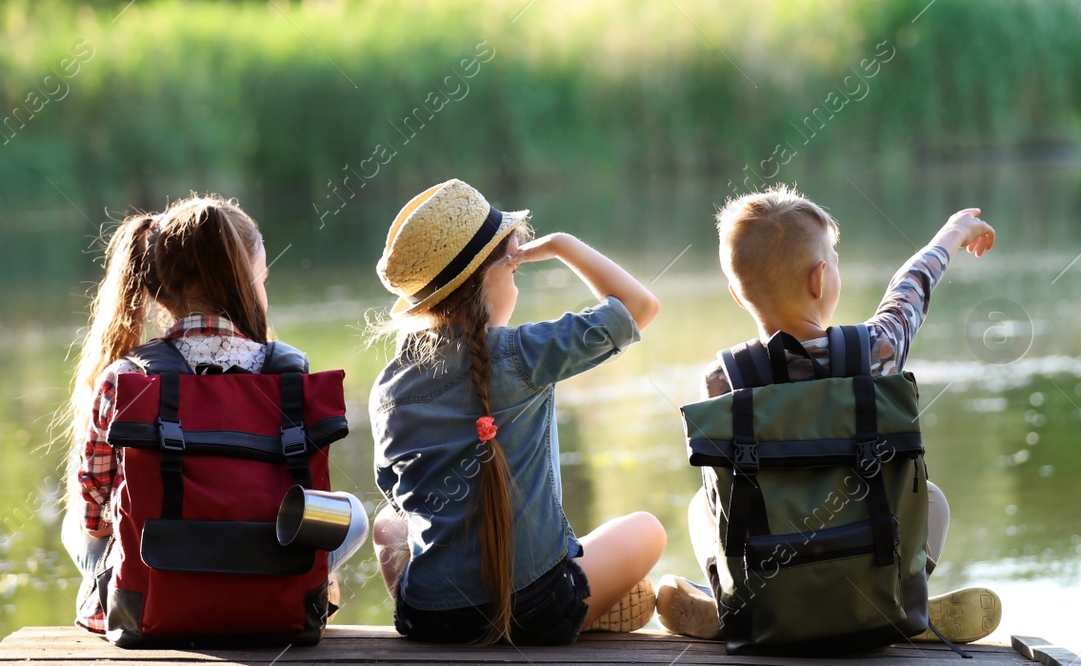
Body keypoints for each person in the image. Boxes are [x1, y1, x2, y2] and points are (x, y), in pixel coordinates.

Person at [656, 185, 1004, 644]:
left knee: (702, 506)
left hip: (770, 585)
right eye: (835, 262)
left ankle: (732, 607)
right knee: (931, 497)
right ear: (820, 279)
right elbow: (910, 290)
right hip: (868, 560)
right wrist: (952, 233)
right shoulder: (875, 352)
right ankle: (898, 598)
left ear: (739, 297)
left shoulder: (723, 379)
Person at [369, 178, 665, 646]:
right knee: (648, 530)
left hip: (429, 617)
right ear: (490, 278)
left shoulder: (389, 385)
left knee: (387, 523)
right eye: (513, 271)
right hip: (539, 609)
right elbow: (639, 307)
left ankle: (490, 615)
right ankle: (585, 608)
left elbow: (395, 493)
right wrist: (565, 246)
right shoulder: (522, 353)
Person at [59, 195, 369, 633]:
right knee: (352, 513)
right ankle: (302, 591)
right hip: (272, 580)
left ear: (161, 288)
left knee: (76, 525)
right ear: (244, 282)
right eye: (263, 278)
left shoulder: (127, 378)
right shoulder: (289, 375)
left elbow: (95, 511)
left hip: (157, 595)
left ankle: (107, 600)